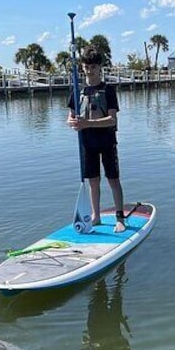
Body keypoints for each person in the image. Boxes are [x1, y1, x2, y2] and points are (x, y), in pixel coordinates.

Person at [67, 45, 126, 233]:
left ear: (99, 68)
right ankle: (96, 216)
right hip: (87, 144)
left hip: (107, 142)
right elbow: (70, 116)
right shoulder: (78, 91)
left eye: (93, 66)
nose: (89, 70)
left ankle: (119, 218)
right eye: (86, 66)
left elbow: (112, 119)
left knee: (113, 179)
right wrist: (73, 122)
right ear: (82, 67)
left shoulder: (108, 90)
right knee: (93, 181)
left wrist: (88, 124)